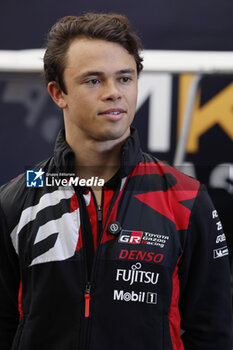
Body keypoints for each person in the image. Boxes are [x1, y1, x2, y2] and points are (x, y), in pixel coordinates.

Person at [0, 13, 232, 350]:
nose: (113, 93)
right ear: (57, 93)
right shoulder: (16, 200)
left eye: (125, 78)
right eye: (93, 80)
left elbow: (212, 333)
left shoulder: (186, 198)